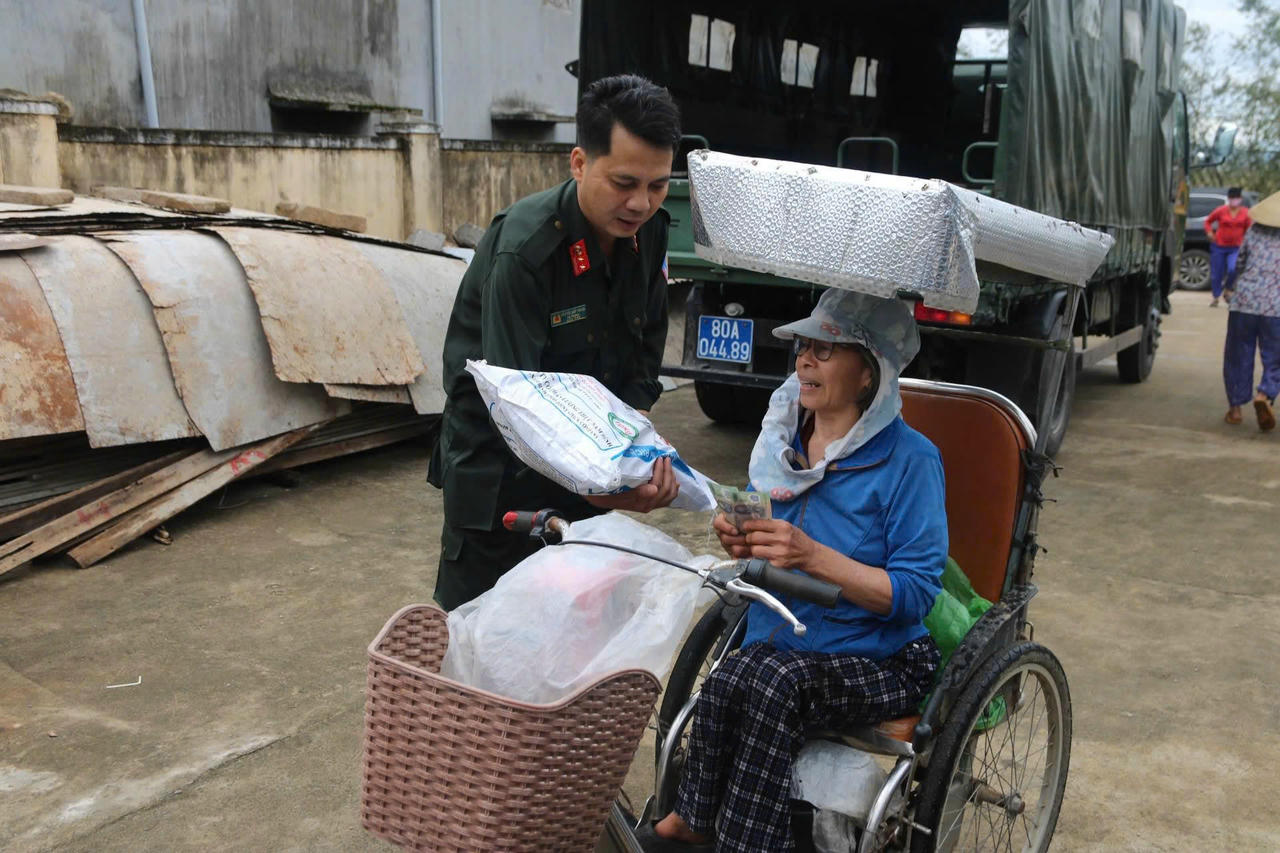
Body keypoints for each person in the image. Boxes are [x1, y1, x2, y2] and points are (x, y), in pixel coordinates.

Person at [648, 290, 947, 852]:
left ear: (869, 374)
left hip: (878, 656)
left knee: (772, 683)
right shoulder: (781, 442)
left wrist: (810, 555)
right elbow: (767, 550)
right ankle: (692, 819)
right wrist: (743, 539)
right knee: (732, 675)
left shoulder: (912, 461)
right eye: (803, 347)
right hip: (783, 638)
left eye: (825, 349)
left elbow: (914, 594)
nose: (804, 359)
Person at [428, 75, 683, 610]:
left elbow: (645, 349)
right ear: (579, 163)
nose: (640, 203)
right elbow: (518, 407)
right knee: (480, 629)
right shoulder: (526, 250)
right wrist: (607, 490)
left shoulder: (651, 231)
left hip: (588, 467)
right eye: (624, 183)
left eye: (657, 186)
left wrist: (632, 447)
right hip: (501, 478)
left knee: (574, 626)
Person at [1222, 189, 1280, 431]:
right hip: (1276, 306)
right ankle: (1264, 394)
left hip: (1245, 301)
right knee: (1276, 356)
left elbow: (1239, 264)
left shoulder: (1254, 231)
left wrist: (1229, 287)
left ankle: (1235, 410)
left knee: (1238, 354)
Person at [1205, 187, 1253, 307]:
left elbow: (1249, 229)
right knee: (1217, 273)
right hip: (1219, 246)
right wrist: (1209, 232)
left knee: (1233, 269)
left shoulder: (1245, 213)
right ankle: (1216, 296)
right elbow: (1208, 221)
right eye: (1232, 198)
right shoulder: (1221, 210)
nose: (1234, 200)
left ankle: (1228, 288)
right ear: (1229, 199)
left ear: (1240, 199)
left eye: (1236, 198)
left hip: (1236, 247)